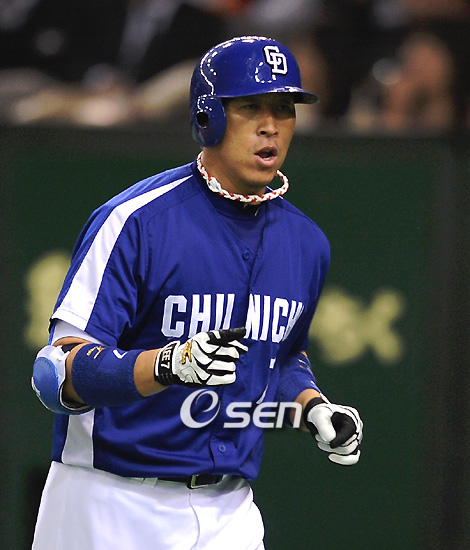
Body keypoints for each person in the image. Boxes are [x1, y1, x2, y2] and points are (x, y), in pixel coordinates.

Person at [31, 36, 363, 550]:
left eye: (283, 108)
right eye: (250, 107)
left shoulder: (307, 243)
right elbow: (57, 374)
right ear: (209, 117)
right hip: (109, 500)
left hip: (230, 509)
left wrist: (312, 405)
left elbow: (280, 356)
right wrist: (167, 365)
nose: (271, 125)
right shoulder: (135, 221)